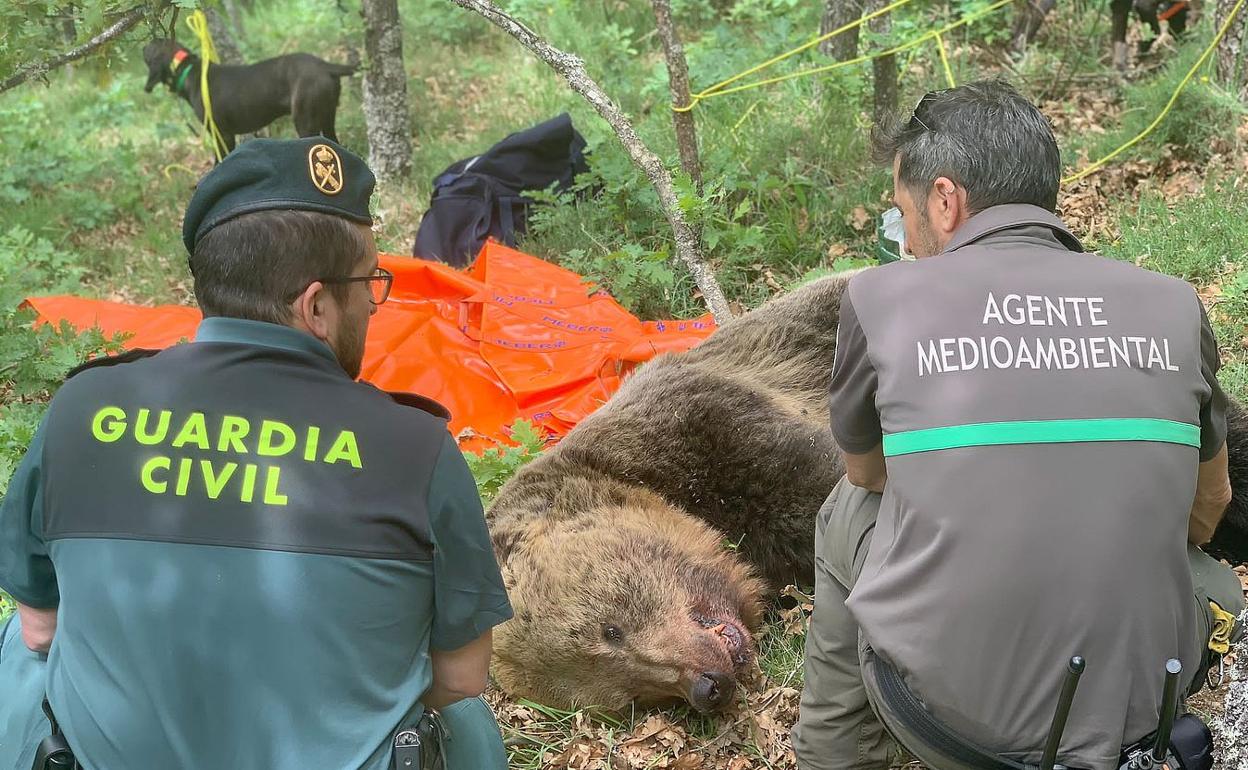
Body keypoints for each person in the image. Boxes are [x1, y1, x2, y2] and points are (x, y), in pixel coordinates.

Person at [0, 137, 512, 770]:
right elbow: (461, 678)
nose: (372, 305)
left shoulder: (80, 408)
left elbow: (39, 631)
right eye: (369, 284)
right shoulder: (417, 448)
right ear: (317, 306)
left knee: (16, 656)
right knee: (470, 723)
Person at [791, 79, 1243, 770]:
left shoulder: (880, 297)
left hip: (951, 729)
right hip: (1142, 709)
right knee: (1208, 577)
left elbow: (867, 471)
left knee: (847, 509)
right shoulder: (1173, 305)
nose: (905, 236)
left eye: (900, 212)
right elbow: (1209, 505)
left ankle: (837, 755)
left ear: (945, 201)